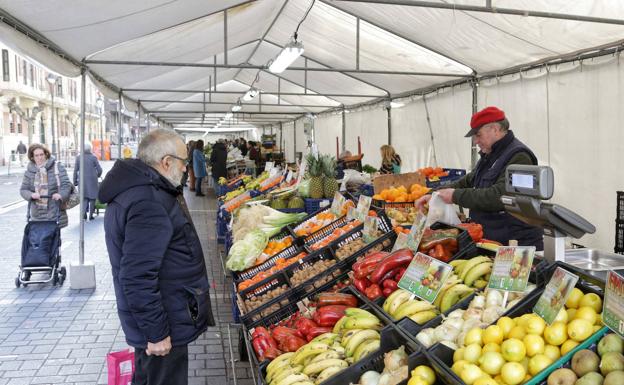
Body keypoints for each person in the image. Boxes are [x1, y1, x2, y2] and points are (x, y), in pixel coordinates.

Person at [98, 129, 215, 385]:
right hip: (164, 324)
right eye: (184, 162)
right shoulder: (149, 201)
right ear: (166, 162)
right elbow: (137, 275)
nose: (186, 169)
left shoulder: (139, 191)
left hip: (163, 314)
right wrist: (157, 333)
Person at [416, 106, 544, 249]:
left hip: (515, 243)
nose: (475, 141)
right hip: (492, 239)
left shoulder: (519, 157)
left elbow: (499, 196)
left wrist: (455, 195)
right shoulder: (491, 155)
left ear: (495, 129)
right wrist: (435, 194)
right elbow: (469, 180)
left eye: (478, 135)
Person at [19, 144, 72, 228]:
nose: (39, 158)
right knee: (38, 240)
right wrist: (31, 195)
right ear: (32, 157)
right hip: (37, 215)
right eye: (36, 155)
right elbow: (23, 190)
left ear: (46, 154)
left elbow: (66, 185)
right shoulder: (29, 171)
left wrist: (60, 195)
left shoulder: (57, 167)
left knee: (53, 239)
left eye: (41, 154)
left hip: (54, 212)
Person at [73, 142, 103, 220]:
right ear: (90, 149)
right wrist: (98, 175)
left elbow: (75, 170)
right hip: (92, 180)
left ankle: (84, 214)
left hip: (82, 180)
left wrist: (75, 181)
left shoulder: (79, 158)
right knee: (92, 198)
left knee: (84, 198)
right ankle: (91, 215)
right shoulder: (93, 157)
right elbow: (99, 169)